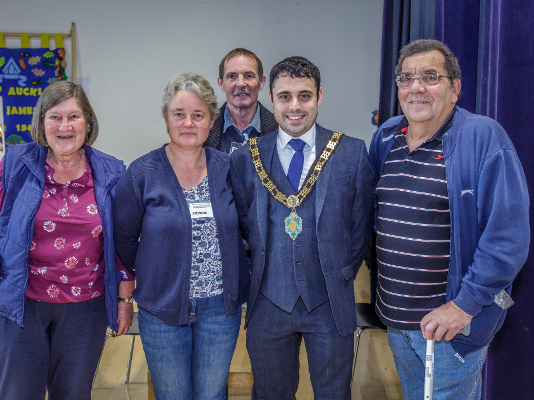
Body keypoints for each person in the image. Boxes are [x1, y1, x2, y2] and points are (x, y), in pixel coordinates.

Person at [368, 39, 530, 399]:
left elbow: (508, 238)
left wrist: (463, 307)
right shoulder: (386, 137)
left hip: (448, 330)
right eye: (406, 78)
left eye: (430, 76)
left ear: (454, 89)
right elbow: (375, 217)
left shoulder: (483, 138)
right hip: (396, 321)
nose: (416, 87)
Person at [0, 81, 135, 400]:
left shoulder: (112, 173)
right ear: (42, 123)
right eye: (55, 117)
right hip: (20, 304)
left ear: (88, 123)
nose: (65, 126)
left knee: (73, 394)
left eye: (74, 117)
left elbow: (121, 247)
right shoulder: (16, 164)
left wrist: (124, 302)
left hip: (86, 310)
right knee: (16, 394)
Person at [230, 56, 374, 399]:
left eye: (304, 96)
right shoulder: (246, 157)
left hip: (329, 304)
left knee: (334, 393)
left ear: (320, 96)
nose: (295, 106)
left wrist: (336, 274)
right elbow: (240, 230)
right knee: (270, 393)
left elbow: (361, 230)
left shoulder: (351, 153)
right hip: (268, 303)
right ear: (271, 97)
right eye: (285, 96)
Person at [113, 73, 249, 399]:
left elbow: (247, 229)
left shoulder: (228, 167)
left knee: (212, 393)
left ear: (211, 121)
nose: (188, 123)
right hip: (162, 309)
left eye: (198, 115)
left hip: (220, 310)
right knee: (171, 394)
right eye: (179, 114)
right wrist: (154, 271)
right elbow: (124, 239)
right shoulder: (141, 173)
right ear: (166, 119)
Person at [204, 48, 278, 154]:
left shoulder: (279, 130)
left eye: (248, 76)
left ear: (262, 82)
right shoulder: (205, 131)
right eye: (232, 76)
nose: (241, 83)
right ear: (221, 84)